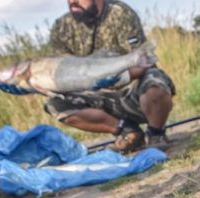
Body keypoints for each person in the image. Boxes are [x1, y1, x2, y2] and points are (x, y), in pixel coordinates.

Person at [45, 0, 175, 152]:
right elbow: (60, 72)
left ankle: (156, 133)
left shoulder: (120, 13)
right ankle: (127, 132)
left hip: (130, 88)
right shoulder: (61, 27)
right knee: (56, 104)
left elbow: (142, 61)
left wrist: (120, 78)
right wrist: (30, 85)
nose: (72, 1)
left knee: (155, 83)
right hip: (94, 93)